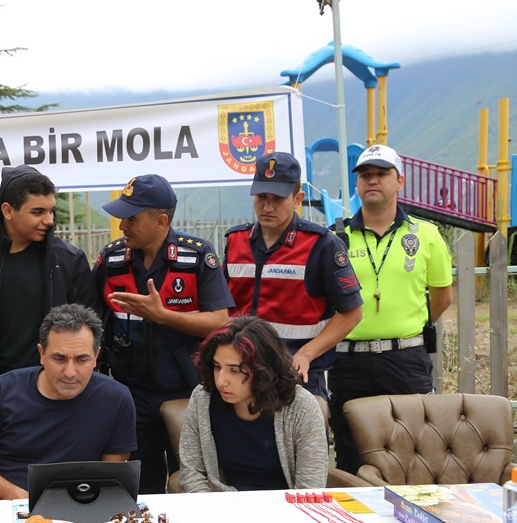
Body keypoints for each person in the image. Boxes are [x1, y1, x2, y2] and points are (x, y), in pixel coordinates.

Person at [95, 174, 233, 494]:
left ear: (160, 221)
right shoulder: (111, 259)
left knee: (192, 482)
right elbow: (93, 321)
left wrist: (163, 317)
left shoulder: (196, 256)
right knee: (138, 486)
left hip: (188, 393)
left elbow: (220, 321)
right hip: (130, 395)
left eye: (131, 219)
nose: (122, 226)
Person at [328, 144, 453, 474]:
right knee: (350, 454)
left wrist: (405, 324)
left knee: (414, 452)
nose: (373, 180)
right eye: (365, 175)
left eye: (382, 174)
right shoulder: (335, 238)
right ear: (357, 184)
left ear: (400, 182)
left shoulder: (426, 235)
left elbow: (442, 296)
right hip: (348, 361)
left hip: (406, 359)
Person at [0, 304, 136, 499]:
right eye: (59, 359)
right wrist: (20, 498)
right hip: (9, 503)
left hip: (82, 503)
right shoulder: (6, 388)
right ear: (41, 354)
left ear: (96, 357)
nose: (70, 372)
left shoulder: (116, 398)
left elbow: (111, 478)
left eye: (82, 360)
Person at [224, 151, 363, 398]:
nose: (267, 207)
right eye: (261, 197)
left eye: (278, 198)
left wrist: (306, 354)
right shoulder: (235, 240)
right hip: (239, 376)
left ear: (297, 199)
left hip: (296, 377)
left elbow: (352, 313)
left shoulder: (322, 245)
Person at [0, 165, 95, 384]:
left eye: (51, 210)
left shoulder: (70, 260)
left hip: (56, 386)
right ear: (8, 211)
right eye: (38, 212)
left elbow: (90, 330)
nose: (49, 220)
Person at [179, 316, 329, 492]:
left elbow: (310, 487)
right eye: (217, 367)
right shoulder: (203, 397)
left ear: (263, 370)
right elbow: (191, 475)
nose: (221, 381)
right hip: (224, 505)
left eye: (234, 371)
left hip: (285, 506)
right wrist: (213, 508)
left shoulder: (302, 406)